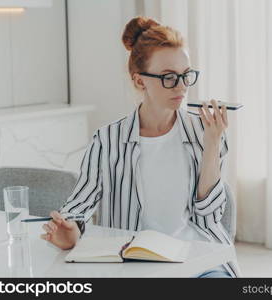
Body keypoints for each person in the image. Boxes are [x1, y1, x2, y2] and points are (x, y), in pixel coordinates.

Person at [40, 16, 240, 278]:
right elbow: (79, 207)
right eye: (169, 77)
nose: (181, 86)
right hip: (133, 264)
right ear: (139, 81)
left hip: (197, 259)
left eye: (185, 75)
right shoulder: (108, 139)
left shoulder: (206, 132)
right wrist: (70, 231)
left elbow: (210, 215)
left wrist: (212, 145)